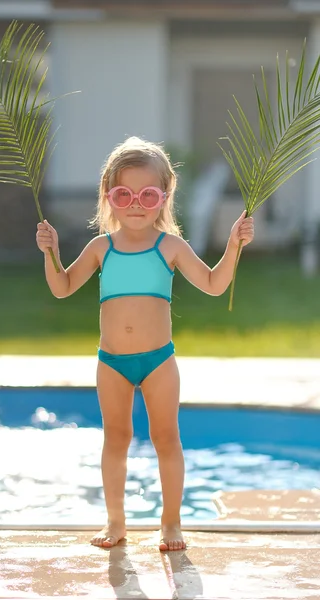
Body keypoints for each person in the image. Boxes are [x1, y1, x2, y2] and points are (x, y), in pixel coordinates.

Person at [36, 136, 254, 551]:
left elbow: (212, 283)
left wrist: (233, 246)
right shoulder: (101, 247)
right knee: (115, 439)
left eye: (147, 194)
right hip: (112, 362)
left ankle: (171, 522)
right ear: (108, 195)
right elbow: (63, 287)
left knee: (166, 439)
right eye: (124, 194)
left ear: (165, 196)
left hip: (158, 362)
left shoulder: (168, 245)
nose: (135, 203)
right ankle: (116, 520)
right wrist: (51, 253)